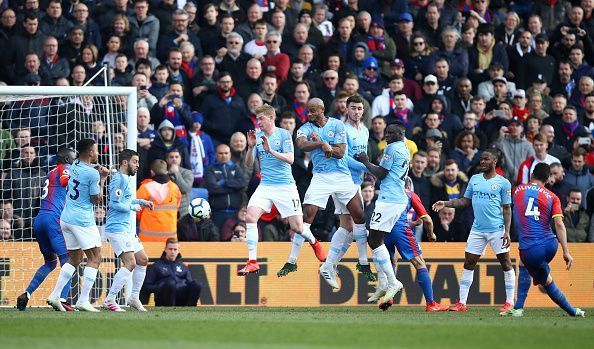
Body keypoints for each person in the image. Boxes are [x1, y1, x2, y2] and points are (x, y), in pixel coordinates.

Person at [276, 97, 363, 280]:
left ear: (322, 110)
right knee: (306, 216)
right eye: (308, 111)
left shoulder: (338, 125)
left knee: (358, 218)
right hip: (320, 176)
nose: (309, 114)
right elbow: (301, 145)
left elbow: (339, 154)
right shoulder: (305, 128)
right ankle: (292, 261)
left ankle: (360, 262)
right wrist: (321, 144)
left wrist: (324, 143)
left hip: (341, 176)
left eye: (313, 111)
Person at [432, 148, 516, 313]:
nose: (482, 162)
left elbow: (507, 208)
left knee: (505, 262)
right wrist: (446, 203)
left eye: (486, 159)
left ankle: (509, 302)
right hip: (477, 229)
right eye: (481, 159)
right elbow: (464, 201)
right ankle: (461, 303)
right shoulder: (475, 179)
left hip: (497, 229)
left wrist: (507, 231)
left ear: (494, 161)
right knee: (469, 262)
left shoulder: (503, 183)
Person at [503, 163, 585, 317]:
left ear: (532, 174)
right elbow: (559, 224)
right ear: (547, 180)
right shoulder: (553, 197)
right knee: (542, 277)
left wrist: (506, 231)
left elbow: (506, 209)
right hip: (551, 244)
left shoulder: (517, 191)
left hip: (531, 248)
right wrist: (566, 252)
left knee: (539, 275)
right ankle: (573, 311)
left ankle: (519, 308)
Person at [237, 104, 311, 275]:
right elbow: (248, 164)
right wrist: (250, 148)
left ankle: (314, 242)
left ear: (271, 118)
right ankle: (252, 261)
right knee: (250, 217)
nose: (258, 122)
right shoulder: (257, 136)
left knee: (298, 227)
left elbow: (291, 160)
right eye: (257, 119)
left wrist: (270, 150)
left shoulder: (284, 135)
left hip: (285, 186)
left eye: (261, 118)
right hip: (266, 185)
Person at [46, 139, 109, 312]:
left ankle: (54, 295)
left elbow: (84, 171)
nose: (97, 152)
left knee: (75, 259)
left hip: (66, 218)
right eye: (95, 150)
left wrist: (96, 169)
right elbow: (96, 200)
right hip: (82, 220)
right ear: (90, 152)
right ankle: (83, 300)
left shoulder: (72, 165)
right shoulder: (93, 174)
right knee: (95, 258)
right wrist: (103, 179)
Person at [355, 121, 408, 310]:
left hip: (389, 200)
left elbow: (382, 173)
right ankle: (384, 284)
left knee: (375, 241)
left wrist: (365, 160)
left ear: (400, 133)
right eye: (386, 133)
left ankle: (392, 282)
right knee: (377, 241)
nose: (386, 136)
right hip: (396, 199)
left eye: (390, 133)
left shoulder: (392, 149)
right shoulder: (404, 147)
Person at [16, 148, 76, 311]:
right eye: (73, 158)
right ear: (65, 159)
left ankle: (26, 294)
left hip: (40, 219)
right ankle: (62, 299)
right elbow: (65, 181)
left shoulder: (49, 173)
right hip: (53, 220)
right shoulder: (65, 168)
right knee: (67, 261)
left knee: (50, 263)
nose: (75, 161)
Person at [375, 178, 447, 312]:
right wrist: (431, 235)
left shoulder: (386, 193)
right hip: (401, 230)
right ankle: (431, 304)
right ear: (409, 185)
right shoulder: (410, 194)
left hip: (383, 231)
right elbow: (427, 220)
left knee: (391, 261)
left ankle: (388, 297)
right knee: (419, 263)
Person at [102, 149, 154, 312]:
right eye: (135, 162)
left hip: (126, 228)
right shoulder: (118, 179)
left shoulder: (125, 179)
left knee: (143, 259)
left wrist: (142, 202)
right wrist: (133, 207)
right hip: (116, 228)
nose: (137, 165)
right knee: (130, 262)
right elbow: (114, 204)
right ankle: (110, 299)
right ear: (125, 163)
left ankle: (133, 297)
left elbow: (126, 199)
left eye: (138, 162)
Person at [140, 238, 202, 306]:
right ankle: (169, 309)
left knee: (196, 284)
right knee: (170, 283)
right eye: (170, 249)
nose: (172, 252)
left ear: (178, 251)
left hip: (182, 299)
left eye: (175, 249)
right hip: (163, 299)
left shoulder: (183, 267)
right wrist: (161, 287)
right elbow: (146, 286)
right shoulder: (156, 266)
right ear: (165, 249)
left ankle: (191, 309)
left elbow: (190, 284)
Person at [137, 159, 182, 243]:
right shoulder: (175, 188)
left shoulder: (145, 188)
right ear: (166, 172)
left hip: (148, 239)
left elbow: (136, 210)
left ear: (152, 172)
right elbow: (177, 207)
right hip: (170, 241)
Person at [204, 144, 247, 229]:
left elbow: (242, 183)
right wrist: (234, 188)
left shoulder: (236, 168)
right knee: (218, 240)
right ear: (216, 155)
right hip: (217, 214)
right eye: (221, 153)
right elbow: (213, 189)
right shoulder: (210, 170)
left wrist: (224, 182)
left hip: (235, 214)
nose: (224, 155)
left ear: (230, 154)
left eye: (226, 153)